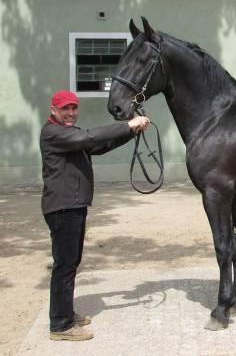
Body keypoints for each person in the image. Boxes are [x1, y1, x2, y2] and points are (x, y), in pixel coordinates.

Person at [40, 90, 150, 341]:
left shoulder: (69, 134)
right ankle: (60, 325)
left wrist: (130, 131)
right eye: (64, 109)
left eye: (73, 108)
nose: (70, 113)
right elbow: (89, 137)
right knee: (64, 266)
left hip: (72, 206)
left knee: (70, 264)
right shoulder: (53, 133)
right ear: (53, 110)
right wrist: (127, 124)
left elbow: (97, 145)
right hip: (63, 208)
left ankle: (64, 312)